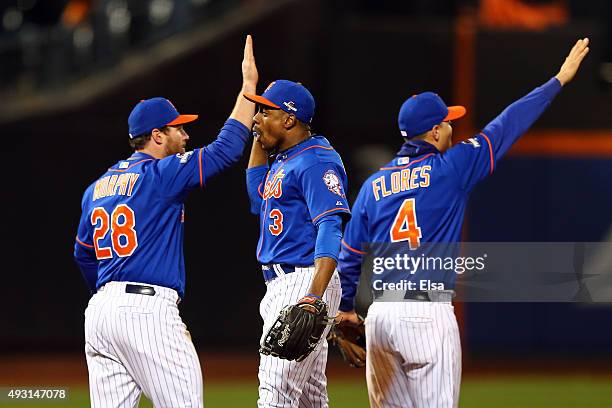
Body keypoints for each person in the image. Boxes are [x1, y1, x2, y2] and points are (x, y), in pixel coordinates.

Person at [336, 38, 590, 408]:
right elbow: (507, 125)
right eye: (448, 123)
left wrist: (343, 310)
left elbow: (349, 255)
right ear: (435, 132)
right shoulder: (451, 168)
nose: (452, 128)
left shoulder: (374, 185)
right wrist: (558, 81)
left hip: (381, 319)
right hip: (426, 314)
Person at [73, 35, 258, 407]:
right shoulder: (160, 174)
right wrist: (248, 89)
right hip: (146, 311)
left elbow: (83, 255)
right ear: (157, 135)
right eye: (178, 128)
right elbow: (226, 149)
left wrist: (110, 296)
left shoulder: (97, 187)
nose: (186, 134)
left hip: (100, 315)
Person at [244, 80, 351, 407]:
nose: (257, 118)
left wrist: (313, 296)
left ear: (289, 120)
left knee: (275, 394)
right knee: (309, 398)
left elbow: (331, 227)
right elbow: (255, 198)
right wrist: (260, 140)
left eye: (266, 111)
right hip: (286, 282)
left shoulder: (316, 160)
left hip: (303, 279)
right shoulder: (286, 157)